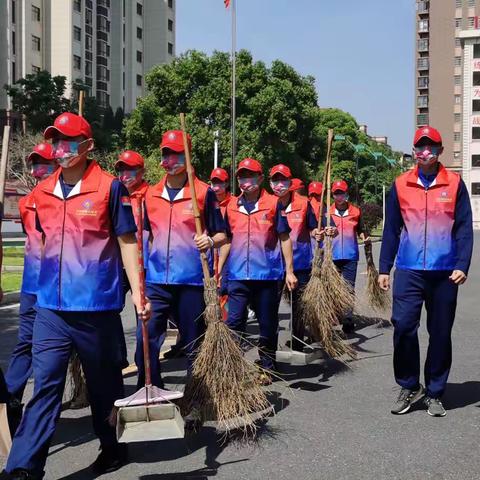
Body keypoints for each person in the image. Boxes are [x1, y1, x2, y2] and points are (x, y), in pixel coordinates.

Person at [4, 112, 150, 479]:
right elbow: (40, 245)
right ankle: (22, 467)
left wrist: (138, 292)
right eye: (56, 141)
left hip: (95, 307)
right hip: (50, 308)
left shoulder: (109, 187)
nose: (61, 149)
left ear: (87, 146)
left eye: (69, 142)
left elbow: (126, 240)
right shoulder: (42, 191)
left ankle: (113, 448)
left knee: (104, 389)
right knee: (45, 387)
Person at [379, 126, 473, 417]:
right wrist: (385, 268)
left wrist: (462, 264)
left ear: (440, 151)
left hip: (444, 272)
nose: (425, 152)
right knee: (404, 326)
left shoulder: (455, 184)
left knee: (440, 333)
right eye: (420, 146)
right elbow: (392, 229)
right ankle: (409, 385)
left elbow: (464, 229)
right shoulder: (400, 184)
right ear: (414, 151)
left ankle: (435, 391)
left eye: (431, 146)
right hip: (409, 269)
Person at [139, 130, 226, 391]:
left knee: (192, 342)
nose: (169, 159)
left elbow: (222, 233)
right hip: (157, 281)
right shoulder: (151, 194)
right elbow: (149, 236)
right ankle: (151, 389)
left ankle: (195, 395)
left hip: (190, 281)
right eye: (166, 153)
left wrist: (210, 241)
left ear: (187, 156)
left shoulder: (203, 193)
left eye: (176, 154)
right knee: (147, 340)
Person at [220, 158, 298, 384]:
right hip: (237, 275)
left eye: (251, 176)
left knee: (267, 323)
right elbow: (226, 240)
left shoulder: (274, 204)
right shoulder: (231, 206)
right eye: (242, 176)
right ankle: (232, 368)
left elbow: (284, 238)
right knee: (234, 322)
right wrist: (218, 271)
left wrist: (290, 271)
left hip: (267, 276)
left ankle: (267, 366)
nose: (247, 181)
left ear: (261, 178)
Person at [4, 143, 58, 433]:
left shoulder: (65, 200)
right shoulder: (26, 203)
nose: (38, 170)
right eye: (35, 164)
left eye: (44, 163)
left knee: (63, 352)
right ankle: (10, 400)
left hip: (63, 289)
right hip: (32, 284)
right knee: (25, 343)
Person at [269, 164, 319, 351]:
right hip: (273, 265)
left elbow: (312, 227)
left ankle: (297, 343)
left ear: (290, 182)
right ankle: (270, 349)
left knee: (298, 307)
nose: (279, 184)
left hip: (300, 264)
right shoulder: (267, 203)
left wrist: (318, 233)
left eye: (283, 180)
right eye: (275, 180)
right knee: (271, 308)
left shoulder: (304, 204)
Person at [114, 150, 150, 368]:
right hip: (119, 264)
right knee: (109, 310)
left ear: (142, 171)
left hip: (145, 265)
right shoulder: (115, 194)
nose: (124, 174)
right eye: (120, 169)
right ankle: (117, 358)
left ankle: (143, 364)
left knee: (143, 315)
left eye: (130, 169)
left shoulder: (152, 195)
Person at [328, 180, 369, 333]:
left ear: (347, 194)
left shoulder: (356, 211)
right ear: (332, 195)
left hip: (350, 255)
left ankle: (348, 318)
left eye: (342, 193)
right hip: (332, 256)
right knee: (332, 288)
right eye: (336, 193)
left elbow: (361, 229)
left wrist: (365, 236)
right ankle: (333, 315)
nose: (339, 196)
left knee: (348, 287)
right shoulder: (326, 212)